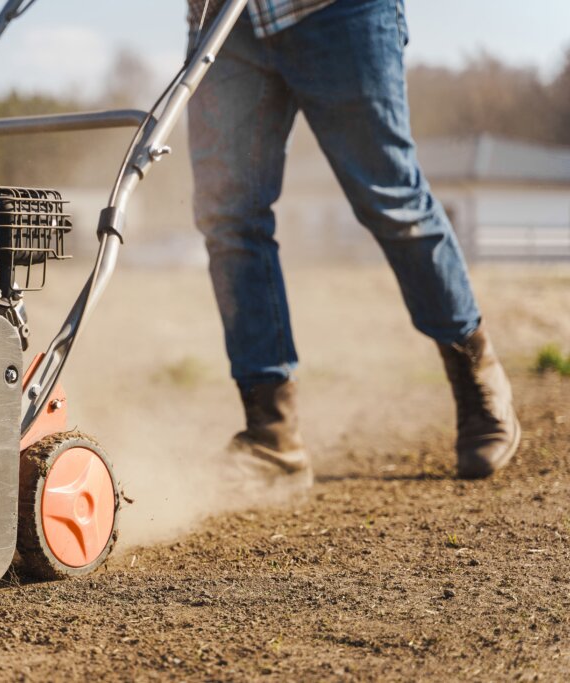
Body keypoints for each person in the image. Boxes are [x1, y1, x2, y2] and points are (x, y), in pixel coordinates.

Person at [186, 0, 520, 488]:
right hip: (224, 21)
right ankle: (272, 433)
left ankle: (477, 379)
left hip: (336, 11)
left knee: (391, 200)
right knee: (228, 218)